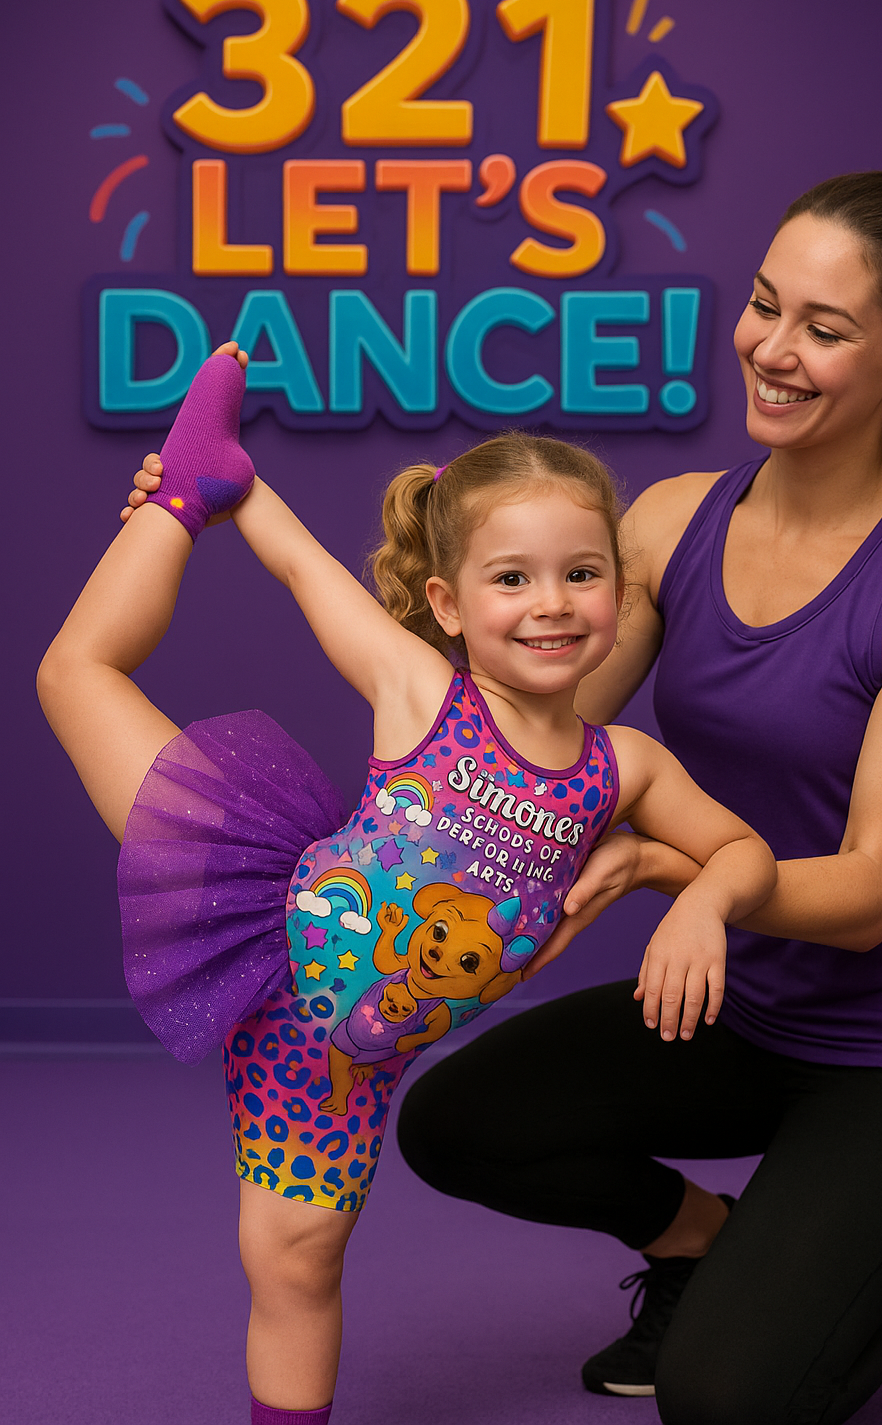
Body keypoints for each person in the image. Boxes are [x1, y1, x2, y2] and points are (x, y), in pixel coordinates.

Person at [37, 357, 776, 1425]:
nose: (551, 606)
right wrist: (215, 490)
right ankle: (184, 488)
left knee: (295, 1265)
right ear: (448, 600)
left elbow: (744, 851)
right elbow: (298, 567)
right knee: (76, 676)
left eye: (582, 574)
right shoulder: (422, 689)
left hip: (341, 1069)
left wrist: (680, 882)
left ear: (620, 588)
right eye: (511, 579)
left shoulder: (627, 766)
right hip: (257, 912)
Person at [396, 171, 882, 1424]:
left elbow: (869, 893)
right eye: (761, 306)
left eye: (824, 329)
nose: (772, 352)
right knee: (455, 1121)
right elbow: (535, 721)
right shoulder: (677, 521)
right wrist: (235, 527)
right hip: (737, 1009)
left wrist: (661, 871)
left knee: (723, 1402)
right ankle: (699, 1243)